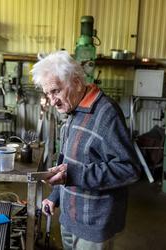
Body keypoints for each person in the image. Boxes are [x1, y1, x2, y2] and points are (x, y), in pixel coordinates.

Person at [31, 50, 141, 250]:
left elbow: (129, 169)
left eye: (55, 91)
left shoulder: (106, 114)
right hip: (69, 218)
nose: (52, 101)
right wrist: (55, 196)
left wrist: (73, 175)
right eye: (47, 93)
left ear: (76, 82)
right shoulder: (74, 110)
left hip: (94, 224)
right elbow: (66, 162)